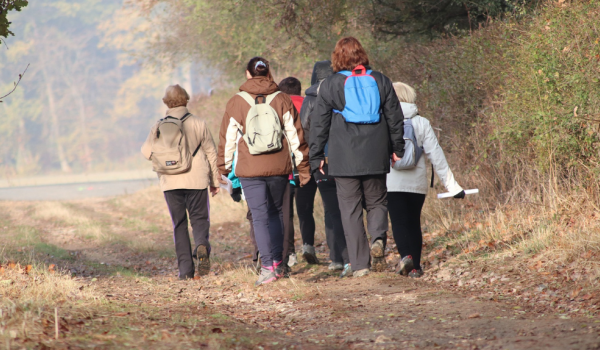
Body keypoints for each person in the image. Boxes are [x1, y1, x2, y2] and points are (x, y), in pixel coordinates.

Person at [310, 37, 405, 277]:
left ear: (337, 58)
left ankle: (360, 265)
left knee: (349, 210)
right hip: (375, 153)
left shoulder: (330, 85)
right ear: (361, 54)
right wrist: (397, 148)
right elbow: (395, 117)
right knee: (377, 201)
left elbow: (319, 124)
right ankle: (379, 239)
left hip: (343, 157)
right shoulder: (380, 80)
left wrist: (317, 155)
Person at [217, 57, 310, 286]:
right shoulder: (282, 98)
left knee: (259, 216)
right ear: (268, 73)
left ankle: (266, 267)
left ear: (248, 74)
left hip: (250, 169)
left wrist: (224, 167)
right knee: (277, 213)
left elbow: (228, 139)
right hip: (279, 166)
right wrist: (303, 168)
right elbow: (296, 136)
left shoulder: (236, 101)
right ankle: (279, 263)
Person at [141, 84, 221, 280]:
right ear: (186, 99)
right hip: (196, 179)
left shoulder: (158, 126)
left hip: (170, 182)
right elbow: (211, 152)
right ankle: (201, 244)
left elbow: (146, 152)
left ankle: (185, 271)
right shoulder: (198, 123)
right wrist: (215, 180)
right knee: (199, 219)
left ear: (166, 102)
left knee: (179, 225)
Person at [387, 82, 464, 278]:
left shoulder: (384, 120)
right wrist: (452, 186)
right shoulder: (422, 122)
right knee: (413, 222)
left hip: (392, 181)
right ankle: (415, 268)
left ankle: (406, 257)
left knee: (398, 222)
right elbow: (436, 156)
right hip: (416, 183)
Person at [299, 60, 349, 272]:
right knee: (348, 207)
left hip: (322, 162)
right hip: (347, 158)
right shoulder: (343, 92)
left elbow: (304, 130)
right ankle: (351, 256)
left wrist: (313, 157)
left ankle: (337, 257)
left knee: (331, 209)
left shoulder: (309, 99)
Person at [278, 77, 304, 268]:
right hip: (306, 162)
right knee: (305, 210)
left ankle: (289, 252)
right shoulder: (308, 103)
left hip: (284, 165)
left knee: (286, 213)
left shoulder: (278, 105)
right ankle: (308, 246)